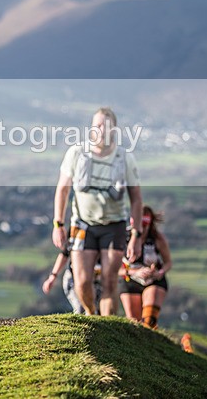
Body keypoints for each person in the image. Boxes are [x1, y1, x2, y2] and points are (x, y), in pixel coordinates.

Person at [51, 107, 143, 316]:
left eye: (105, 125)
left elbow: (136, 198)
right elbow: (62, 190)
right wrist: (58, 224)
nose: (100, 129)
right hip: (83, 224)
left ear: (114, 130)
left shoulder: (124, 158)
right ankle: (91, 314)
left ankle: (107, 326)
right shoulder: (76, 153)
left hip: (115, 225)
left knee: (110, 281)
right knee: (82, 281)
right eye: (97, 125)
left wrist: (136, 234)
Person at [119, 205, 172, 329]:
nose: (141, 229)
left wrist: (160, 272)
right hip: (129, 280)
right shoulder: (123, 238)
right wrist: (134, 272)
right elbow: (113, 269)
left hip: (153, 280)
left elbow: (168, 262)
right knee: (135, 324)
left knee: (149, 320)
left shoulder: (157, 239)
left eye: (144, 225)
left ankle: (153, 341)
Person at [42, 245, 103, 315]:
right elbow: (64, 253)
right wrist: (52, 276)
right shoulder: (78, 238)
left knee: (99, 310)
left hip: (97, 282)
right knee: (81, 309)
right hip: (73, 280)